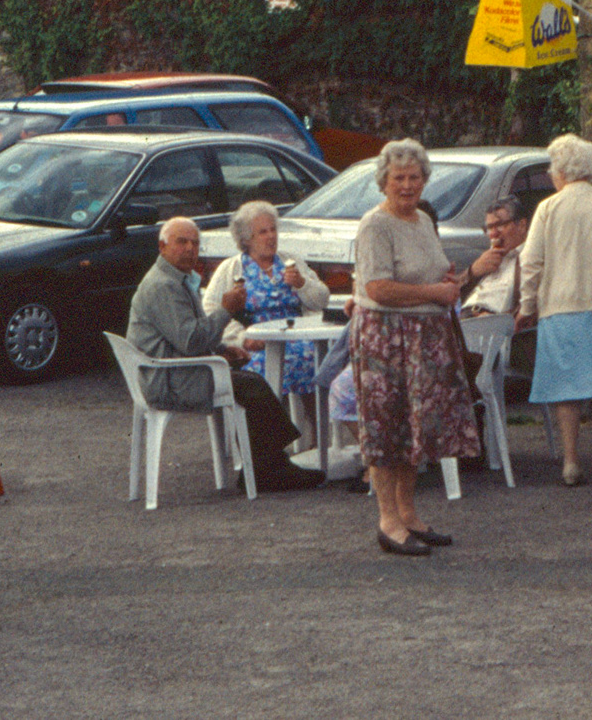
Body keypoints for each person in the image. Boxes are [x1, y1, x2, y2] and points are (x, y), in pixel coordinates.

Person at [350, 139, 482, 556]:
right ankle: (388, 521)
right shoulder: (375, 225)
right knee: (386, 425)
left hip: (424, 335)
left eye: (414, 178)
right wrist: (433, 291)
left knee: (413, 427)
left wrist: (448, 282)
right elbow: (378, 287)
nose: (407, 186)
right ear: (383, 182)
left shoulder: (422, 220)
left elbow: (430, 273)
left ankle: (408, 514)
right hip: (385, 338)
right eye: (399, 178)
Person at [127, 217, 324, 492]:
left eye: (194, 243)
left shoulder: (177, 279)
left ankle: (264, 467)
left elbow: (185, 336)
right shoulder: (164, 285)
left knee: (250, 381)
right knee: (252, 384)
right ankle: (271, 467)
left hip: (177, 369)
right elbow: (191, 340)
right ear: (162, 247)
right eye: (181, 242)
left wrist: (221, 350)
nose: (189, 249)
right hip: (171, 380)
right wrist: (226, 310)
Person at [516, 134, 592, 486]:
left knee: (566, 387)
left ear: (559, 171)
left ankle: (570, 460)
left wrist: (527, 305)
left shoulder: (548, 208)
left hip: (561, 306)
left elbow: (531, 261)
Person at [203, 200, 330, 412]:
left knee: (313, 361)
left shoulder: (291, 261)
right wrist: (242, 337)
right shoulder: (232, 268)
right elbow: (211, 310)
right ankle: (276, 437)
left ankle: (316, 435)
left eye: (273, 230)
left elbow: (322, 299)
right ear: (247, 239)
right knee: (261, 368)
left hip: (297, 337)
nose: (271, 236)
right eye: (262, 232)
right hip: (257, 344)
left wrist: (302, 284)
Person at [460, 195, 527, 317]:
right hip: (465, 317)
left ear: (521, 225)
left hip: (494, 323)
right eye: (490, 228)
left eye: (500, 225)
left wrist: (496, 319)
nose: (494, 234)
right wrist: (473, 271)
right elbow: (452, 293)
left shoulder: (530, 257)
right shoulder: (486, 258)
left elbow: (530, 306)